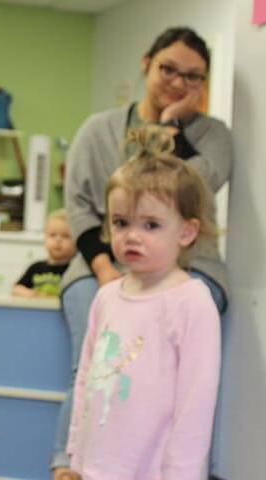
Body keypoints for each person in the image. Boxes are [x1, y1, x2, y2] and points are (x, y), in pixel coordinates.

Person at [53, 27, 232, 480]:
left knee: (175, 374)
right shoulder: (98, 129)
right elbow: (80, 207)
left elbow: (193, 188)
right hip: (99, 263)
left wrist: (172, 124)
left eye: (193, 77)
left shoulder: (213, 135)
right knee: (92, 364)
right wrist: (103, 270)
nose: (178, 81)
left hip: (185, 269)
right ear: (147, 63)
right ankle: (67, 463)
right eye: (169, 69)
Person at [67, 126, 220, 478]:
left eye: (151, 224)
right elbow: (86, 379)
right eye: (121, 222)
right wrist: (76, 455)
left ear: (186, 232)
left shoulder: (192, 303)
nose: (131, 236)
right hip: (96, 466)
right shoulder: (106, 296)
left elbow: (196, 403)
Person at [12, 209, 76, 298]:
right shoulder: (36, 268)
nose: (58, 240)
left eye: (66, 236)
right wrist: (31, 294)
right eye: (52, 235)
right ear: (45, 238)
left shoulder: (76, 270)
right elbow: (16, 289)